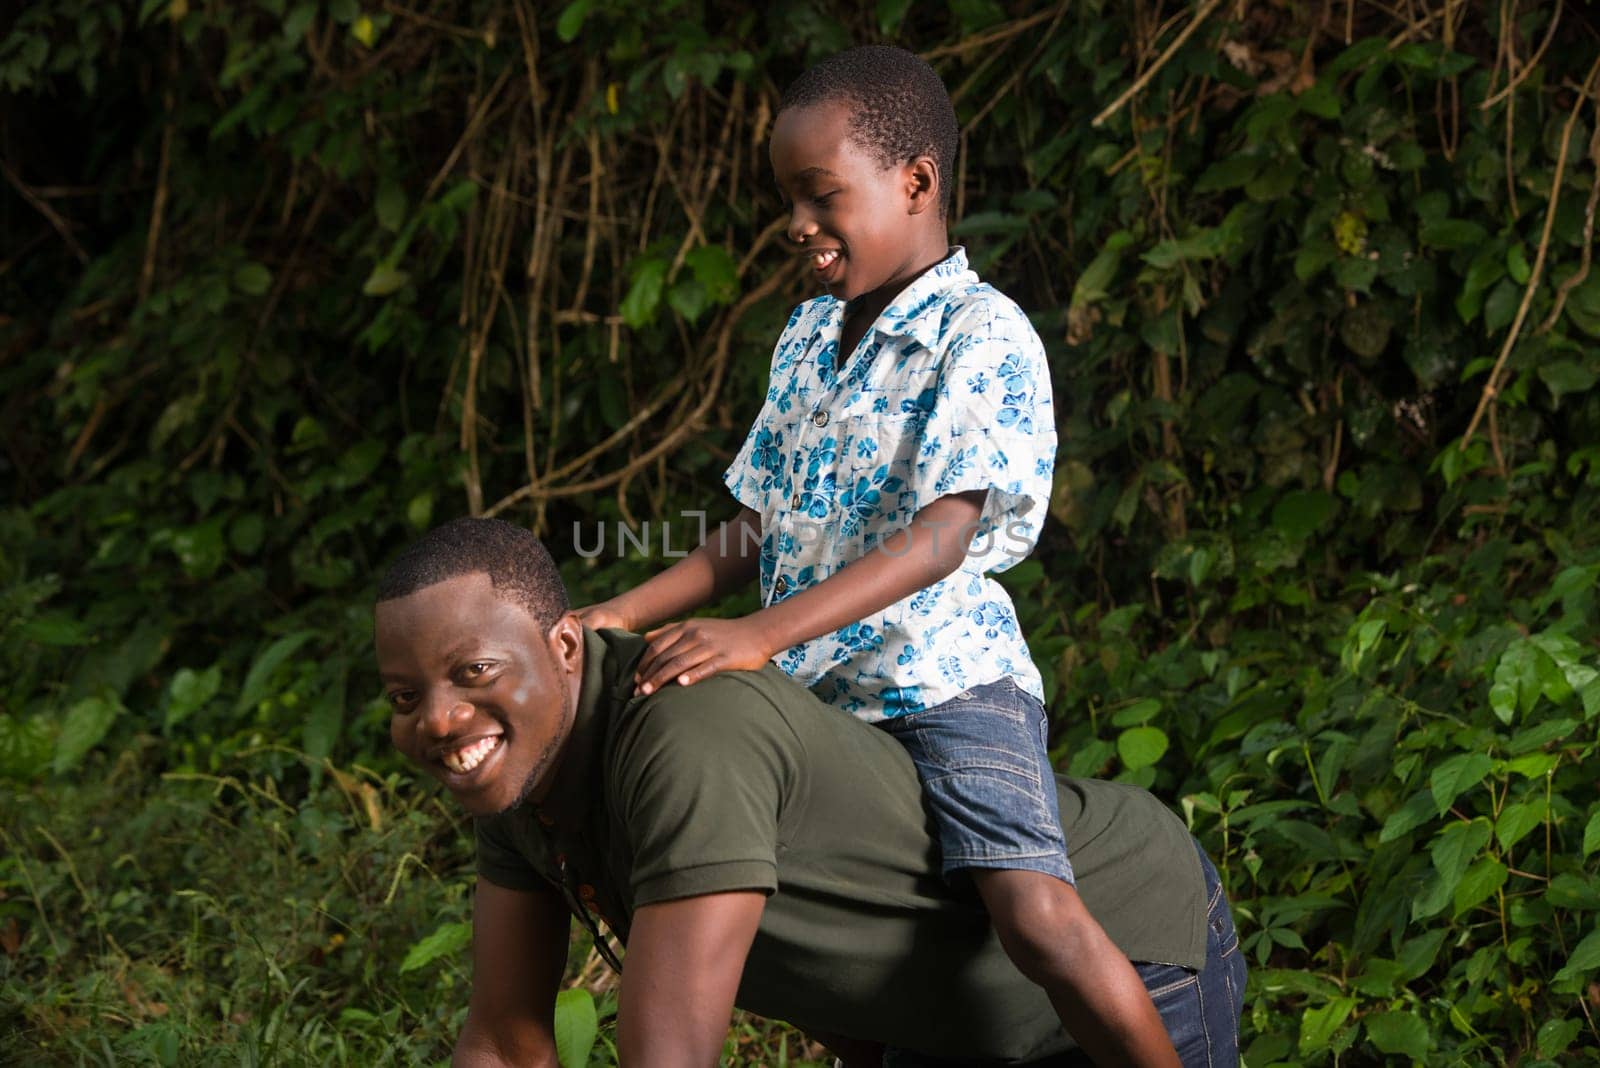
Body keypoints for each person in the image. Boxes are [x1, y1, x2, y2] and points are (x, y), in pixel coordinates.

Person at [575, 45, 1165, 1061]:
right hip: (822, 703)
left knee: (1031, 914)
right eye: (787, 200)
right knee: (833, 979)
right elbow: (754, 527)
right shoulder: (805, 338)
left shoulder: (983, 334)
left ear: (917, 181)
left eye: (819, 195)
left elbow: (942, 535)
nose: (796, 223)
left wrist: (759, 633)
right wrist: (610, 617)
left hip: (944, 687)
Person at [375, 517, 1246, 1067]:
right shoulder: (517, 775)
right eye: (406, 698)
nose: (442, 721)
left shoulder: (685, 737)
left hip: (1124, 942)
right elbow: (503, 1038)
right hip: (946, 1026)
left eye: (474, 671)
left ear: (566, 645)